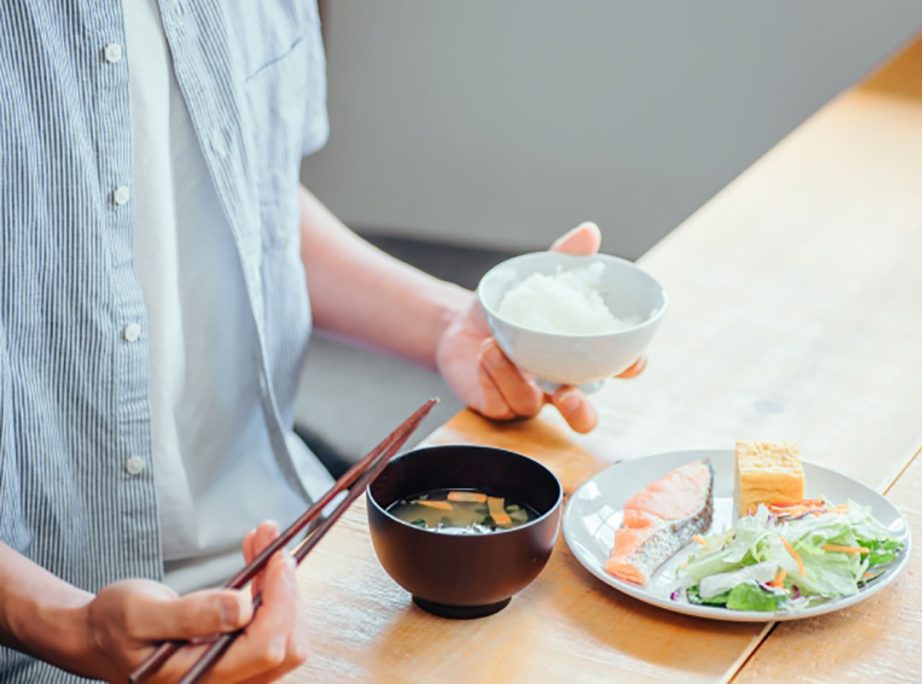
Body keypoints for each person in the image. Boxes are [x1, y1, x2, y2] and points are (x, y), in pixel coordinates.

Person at [0, 2, 642, 682]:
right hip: (38, 631)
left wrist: (448, 323)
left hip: (296, 544)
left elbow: (252, 202)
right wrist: (61, 623)